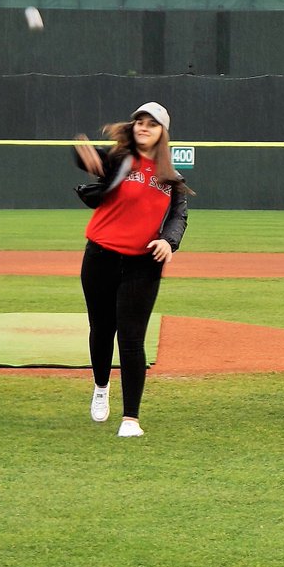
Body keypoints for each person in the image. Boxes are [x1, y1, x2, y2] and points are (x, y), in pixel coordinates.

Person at [74, 102, 192, 438]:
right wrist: (84, 157)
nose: (143, 127)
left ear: (162, 133)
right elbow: (85, 156)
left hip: (143, 263)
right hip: (100, 256)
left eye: (151, 124)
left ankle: (131, 419)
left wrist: (169, 242)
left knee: (131, 338)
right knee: (101, 329)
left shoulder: (171, 177)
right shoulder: (118, 159)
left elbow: (178, 217)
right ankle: (100, 387)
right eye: (139, 121)